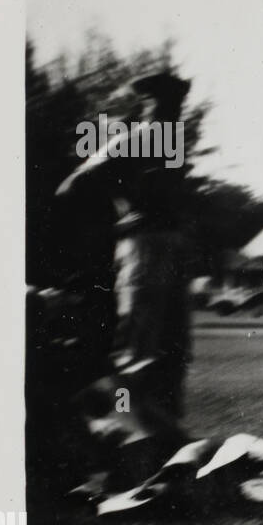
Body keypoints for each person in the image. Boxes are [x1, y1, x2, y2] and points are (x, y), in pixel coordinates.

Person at [56, 72, 194, 425]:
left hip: (169, 246)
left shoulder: (170, 140)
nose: (172, 110)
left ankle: (164, 433)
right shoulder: (137, 139)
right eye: (164, 102)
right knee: (140, 348)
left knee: (171, 348)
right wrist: (119, 219)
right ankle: (130, 438)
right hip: (144, 246)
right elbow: (74, 185)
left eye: (176, 103)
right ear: (147, 104)